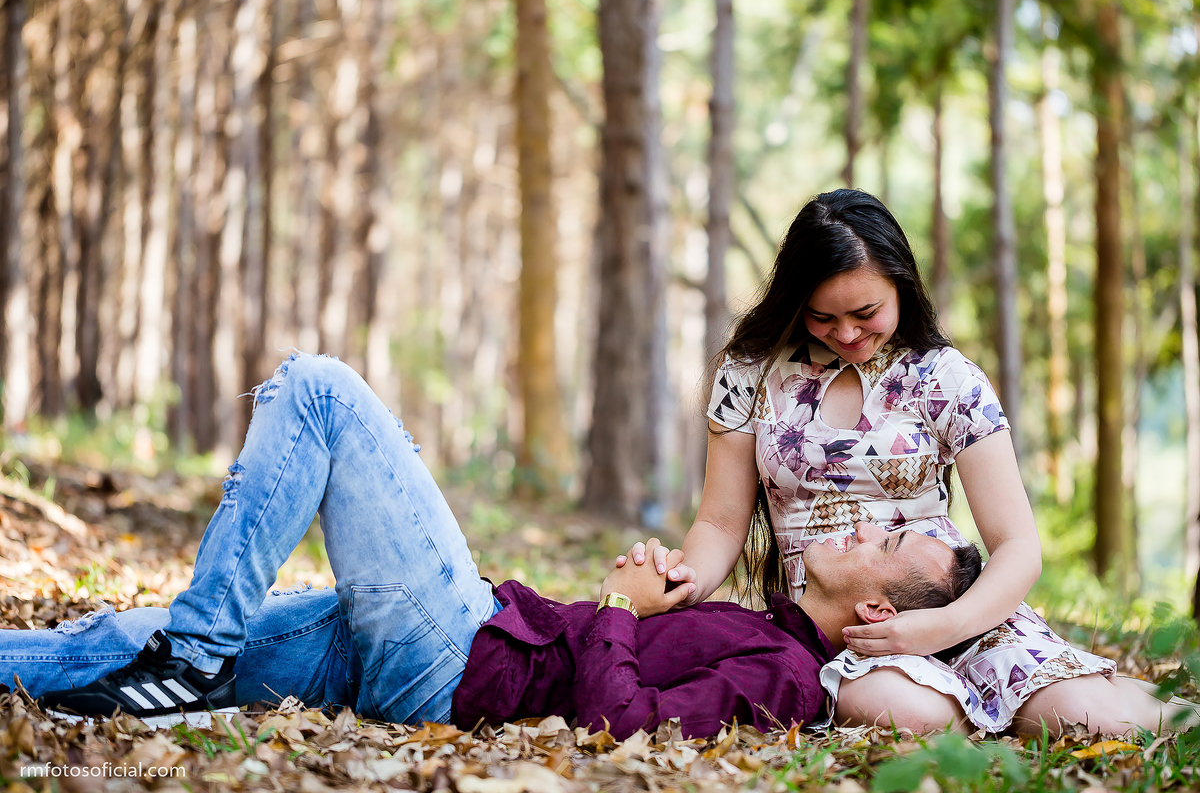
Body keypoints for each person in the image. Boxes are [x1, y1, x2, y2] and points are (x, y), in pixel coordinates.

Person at [1, 352, 981, 739]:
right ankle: (184, 646)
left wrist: (613, 608)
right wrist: (647, 598)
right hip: (444, 640)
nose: (861, 515)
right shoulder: (756, 623)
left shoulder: (790, 678)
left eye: (890, 533)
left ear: (880, 611)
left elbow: (616, 724)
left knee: (320, 390)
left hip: (461, 654)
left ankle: (201, 642)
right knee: (105, 639)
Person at [619, 188, 1196, 737]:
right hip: (837, 626)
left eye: (866, 312)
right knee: (898, 707)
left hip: (953, 602)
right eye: (822, 317)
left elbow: (1018, 544)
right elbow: (720, 523)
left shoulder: (945, 378)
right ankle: (985, 712)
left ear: (902, 284)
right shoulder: (749, 373)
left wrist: (946, 625)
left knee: (1085, 715)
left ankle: (1165, 711)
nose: (846, 334)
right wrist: (685, 581)